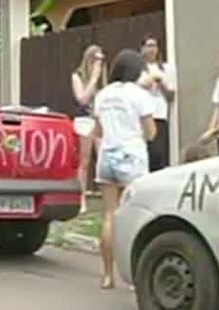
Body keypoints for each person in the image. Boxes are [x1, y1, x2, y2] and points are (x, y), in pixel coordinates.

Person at [91, 49, 156, 289]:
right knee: (136, 216)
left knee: (109, 215)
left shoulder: (103, 95)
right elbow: (150, 132)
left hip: (107, 156)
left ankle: (107, 275)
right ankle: (134, 277)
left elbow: (97, 131)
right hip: (132, 157)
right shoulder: (139, 95)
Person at [71, 44, 106, 212]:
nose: (98, 64)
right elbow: (82, 99)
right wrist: (92, 79)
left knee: (103, 157)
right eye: (95, 60)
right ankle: (81, 198)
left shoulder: (103, 80)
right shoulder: (77, 76)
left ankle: (107, 197)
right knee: (84, 162)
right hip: (84, 120)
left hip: (99, 120)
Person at [137, 34, 175, 172]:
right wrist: (148, 81)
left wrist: (161, 84)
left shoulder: (165, 69)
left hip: (160, 113)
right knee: (147, 151)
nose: (152, 49)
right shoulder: (139, 69)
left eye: (155, 46)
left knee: (159, 152)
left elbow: (171, 95)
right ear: (142, 49)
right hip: (143, 114)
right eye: (149, 46)